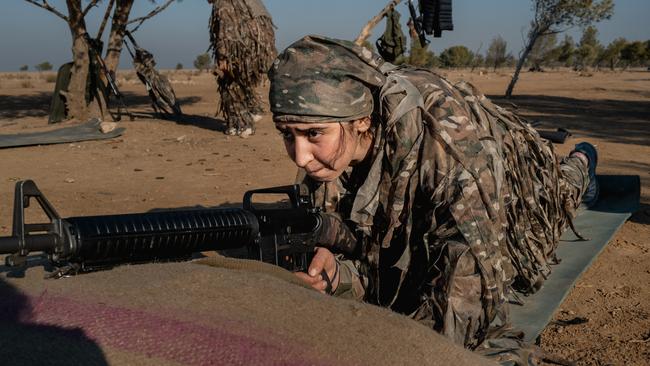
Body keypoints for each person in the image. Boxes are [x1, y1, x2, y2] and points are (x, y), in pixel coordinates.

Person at [268, 35, 599, 365]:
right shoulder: (328, 152)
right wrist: (337, 274)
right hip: (429, 178)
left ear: (362, 120)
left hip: (515, 184)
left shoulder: (450, 147)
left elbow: (471, 291)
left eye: (313, 133)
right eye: (287, 134)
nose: (299, 157)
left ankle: (583, 159)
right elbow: (366, 238)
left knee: (563, 191)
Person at [208, 0, 276, 137]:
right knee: (243, 82)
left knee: (229, 85)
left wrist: (223, 57)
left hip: (240, 53)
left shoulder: (222, 4)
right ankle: (253, 110)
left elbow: (225, 30)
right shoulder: (250, 3)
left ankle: (241, 125)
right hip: (258, 54)